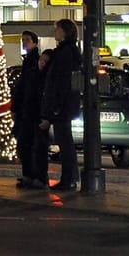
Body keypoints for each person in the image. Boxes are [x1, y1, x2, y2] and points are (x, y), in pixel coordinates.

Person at [38, 18, 82, 192]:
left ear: (64, 32)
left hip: (62, 106)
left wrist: (55, 107)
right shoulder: (67, 51)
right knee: (64, 142)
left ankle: (69, 179)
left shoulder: (66, 53)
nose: (54, 32)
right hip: (64, 105)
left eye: (57, 29)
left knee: (65, 143)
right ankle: (70, 177)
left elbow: (61, 82)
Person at [12, 31, 47, 188]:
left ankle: (33, 176)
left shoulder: (34, 61)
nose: (24, 43)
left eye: (27, 40)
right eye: (23, 40)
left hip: (31, 109)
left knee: (30, 144)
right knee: (25, 144)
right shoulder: (29, 61)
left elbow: (27, 87)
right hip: (26, 109)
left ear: (35, 42)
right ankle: (29, 175)